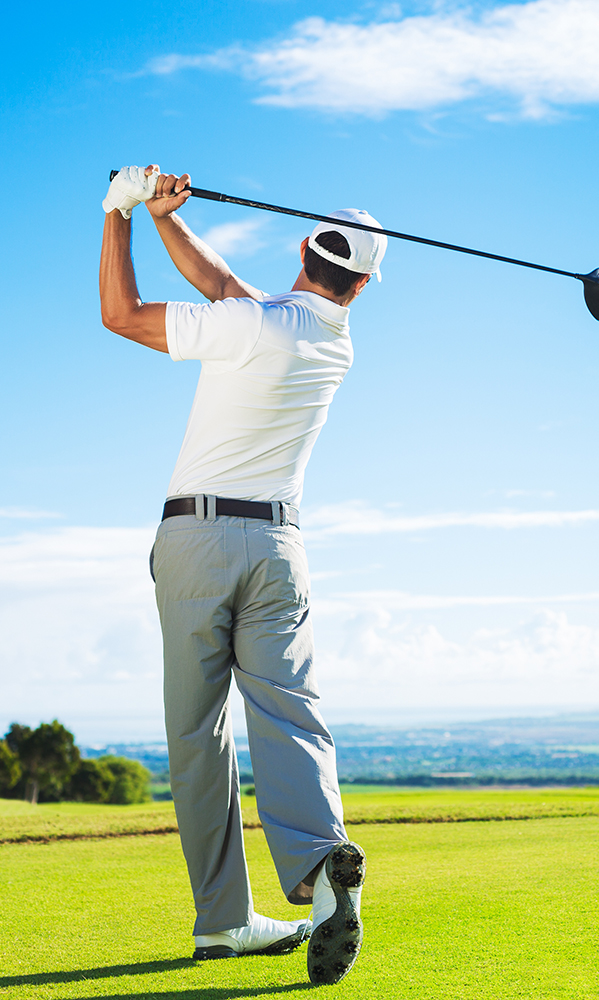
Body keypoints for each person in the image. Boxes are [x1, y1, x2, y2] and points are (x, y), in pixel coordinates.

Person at [98, 164, 382, 986]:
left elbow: (121, 314)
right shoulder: (331, 341)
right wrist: (161, 217)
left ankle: (222, 918)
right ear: (360, 285)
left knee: (197, 735)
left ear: (304, 246)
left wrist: (117, 213)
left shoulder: (254, 324)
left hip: (197, 541)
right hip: (281, 550)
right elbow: (225, 287)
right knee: (290, 717)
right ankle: (321, 862)